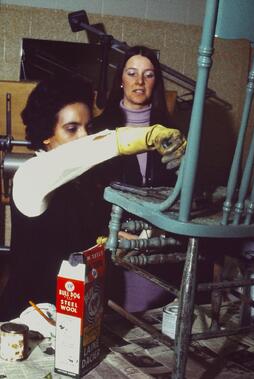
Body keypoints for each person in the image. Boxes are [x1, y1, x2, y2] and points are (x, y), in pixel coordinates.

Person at [0, 75, 185, 320]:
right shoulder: (31, 175)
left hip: (76, 317)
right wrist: (145, 137)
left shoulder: (84, 183)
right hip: (30, 317)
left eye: (88, 128)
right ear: (46, 134)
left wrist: (117, 239)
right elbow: (80, 153)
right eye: (71, 129)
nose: (83, 137)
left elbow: (83, 236)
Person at [93, 45, 187, 313]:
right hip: (113, 239)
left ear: (155, 83)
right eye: (132, 73)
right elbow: (88, 192)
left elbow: (178, 190)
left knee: (156, 314)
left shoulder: (172, 133)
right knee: (113, 318)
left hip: (158, 241)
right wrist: (105, 229)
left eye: (148, 75)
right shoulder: (100, 129)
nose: (139, 81)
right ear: (120, 80)